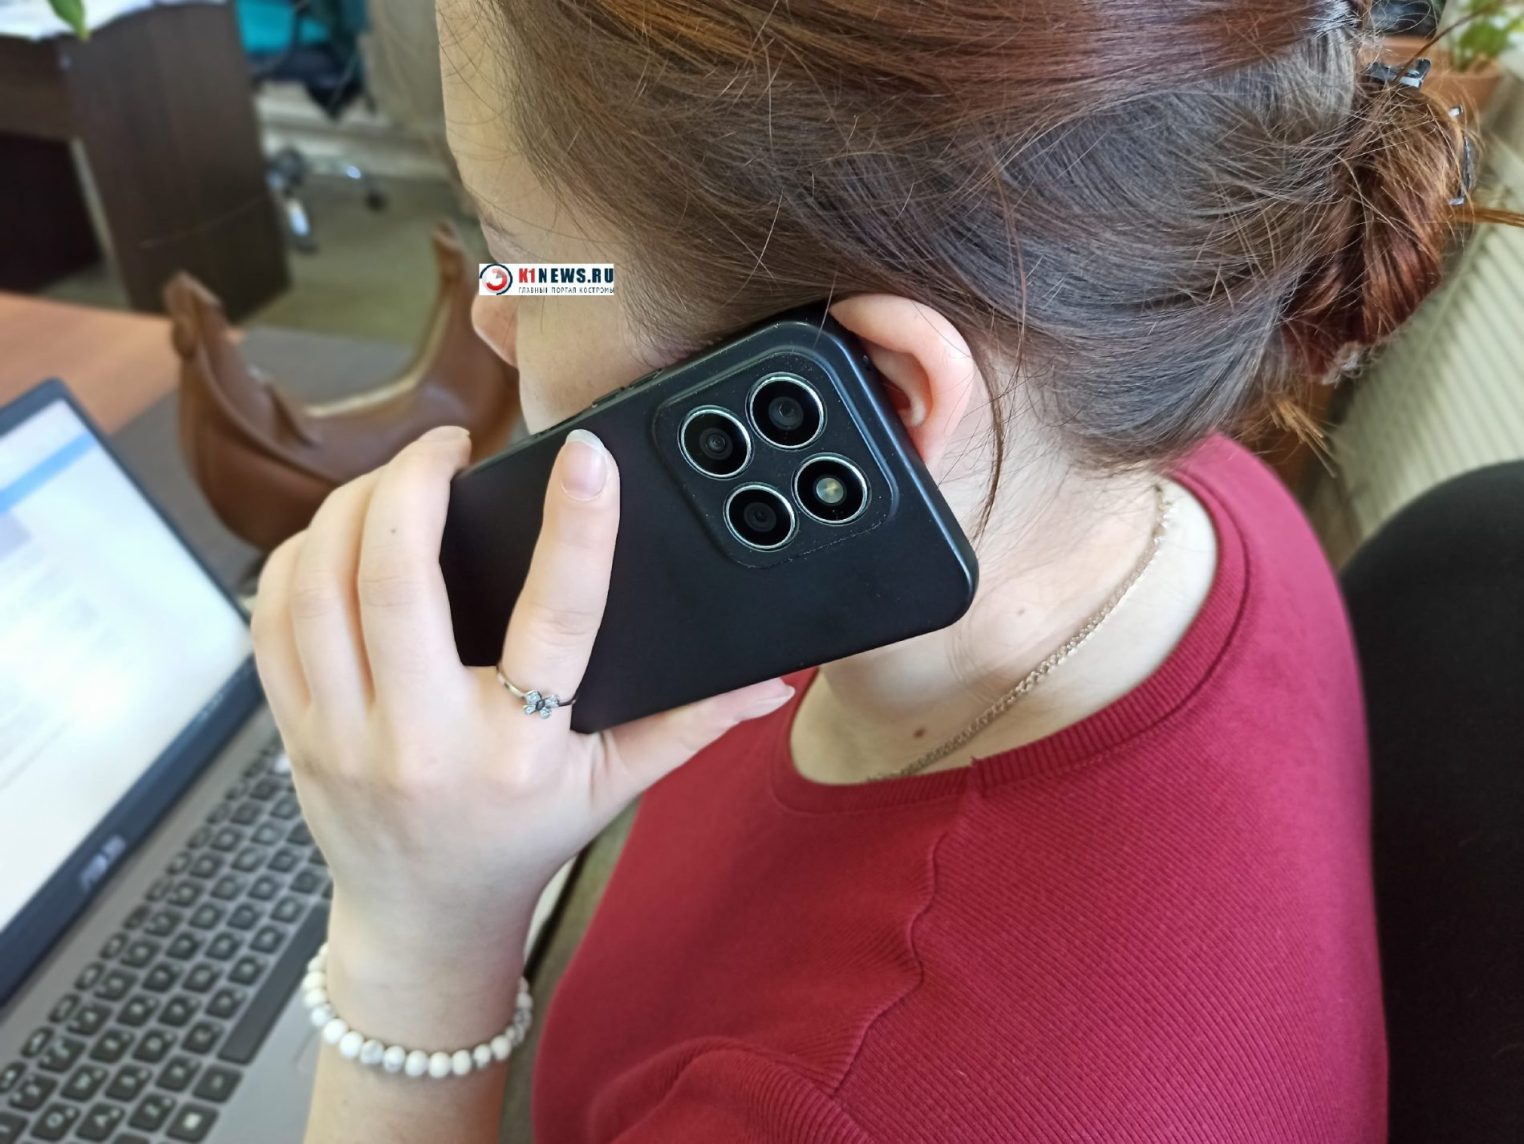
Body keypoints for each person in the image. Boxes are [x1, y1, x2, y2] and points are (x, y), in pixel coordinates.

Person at [247, 1, 1510, 1139]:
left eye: (531, 255)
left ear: (877, 411)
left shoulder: (862, 1103)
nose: (493, 306)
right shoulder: (1170, 489)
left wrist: (418, 945)